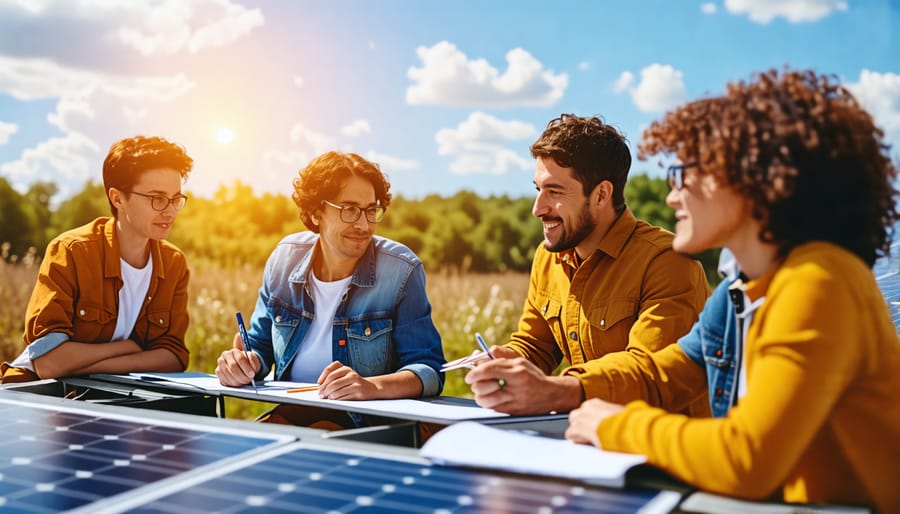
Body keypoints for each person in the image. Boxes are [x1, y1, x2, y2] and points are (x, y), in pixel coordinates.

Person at [565, 69, 900, 513]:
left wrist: (617, 426)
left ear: (750, 179)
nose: (671, 197)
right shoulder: (744, 291)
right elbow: (667, 373)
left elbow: (747, 458)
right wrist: (567, 390)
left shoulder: (819, 281)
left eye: (682, 174)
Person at [465, 114, 710, 416]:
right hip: (583, 439)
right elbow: (536, 344)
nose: (537, 208)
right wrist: (507, 362)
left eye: (554, 192)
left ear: (601, 195)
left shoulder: (667, 262)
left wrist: (557, 391)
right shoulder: (548, 256)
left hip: (659, 450)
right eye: (537, 189)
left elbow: (650, 371)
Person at [215, 151, 444, 428]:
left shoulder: (401, 270)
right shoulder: (284, 260)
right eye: (349, 209)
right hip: (293, 413)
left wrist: (371, 387)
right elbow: (260, 346)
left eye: (371, 210)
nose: (363, 224)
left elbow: (429, 371)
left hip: (366, 424)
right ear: (316, 211)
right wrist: (243, 363)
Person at [1, 136, 194, 383]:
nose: (169, 210)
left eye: (176, 199)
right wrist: (125, 348)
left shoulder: (174, 263)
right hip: (38, 394)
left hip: (117, 395)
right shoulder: (71, 251)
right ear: (117, 198)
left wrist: (92, 367)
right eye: (157, 198)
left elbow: (174, 357)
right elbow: (48, 363)